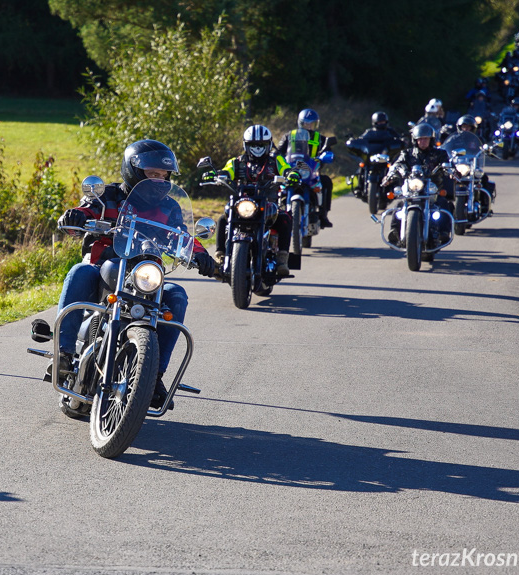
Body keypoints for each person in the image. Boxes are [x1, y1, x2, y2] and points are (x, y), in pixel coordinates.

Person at [54, 139, 216, 409]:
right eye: (152, 174)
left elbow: (183, 236)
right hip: (106, 266)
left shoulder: (170, 208)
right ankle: (64, 351)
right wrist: (75, 216)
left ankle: (154, 375)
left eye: (163, 175)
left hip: (145, 275)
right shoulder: (108, 195)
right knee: (79, 271)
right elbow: (86, 209)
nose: (158, 179)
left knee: (177, 295)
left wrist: (200, 253)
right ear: (133, 171)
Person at [203, 124, 293, 276]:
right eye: (253, 145)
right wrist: (216, 175)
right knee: (222, 219)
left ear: (269, 144)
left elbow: (286, 168)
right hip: (242, 204)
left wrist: (291, 174)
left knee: (285, 219)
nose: (257, 148)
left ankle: (282, 259)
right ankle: (220, 258)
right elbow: (227, 170)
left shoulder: (275, 160)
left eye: (261, 145)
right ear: (246, 145)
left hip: (268, 203)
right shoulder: (237, 161)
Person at [381, 123, 453, 246]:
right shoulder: (407, 154)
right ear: (415, 140)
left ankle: (443, 232)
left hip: (432, 189)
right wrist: (390, 175)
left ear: (431, 139)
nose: (423, 141)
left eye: (426, 138)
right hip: (413, 189)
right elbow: (397, 164)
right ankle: (395, 231)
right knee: (399, 205)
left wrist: (452, 171)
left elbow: (448, 165)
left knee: (442, 203)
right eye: (420, 139)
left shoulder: (440, 154)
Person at [272, 108, 335, 227]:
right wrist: (275, 154)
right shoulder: (289, 135)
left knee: (326, 182)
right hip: (292, 169)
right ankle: (272, 213)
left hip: (311, 171)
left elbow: (327, 151)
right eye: (307, 123)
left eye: (312, 123)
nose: (310, 126)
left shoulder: (320, 138)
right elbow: (280, 151)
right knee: (275, 182)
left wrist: (325, 157)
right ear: (301, 123)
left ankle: (323, 214)